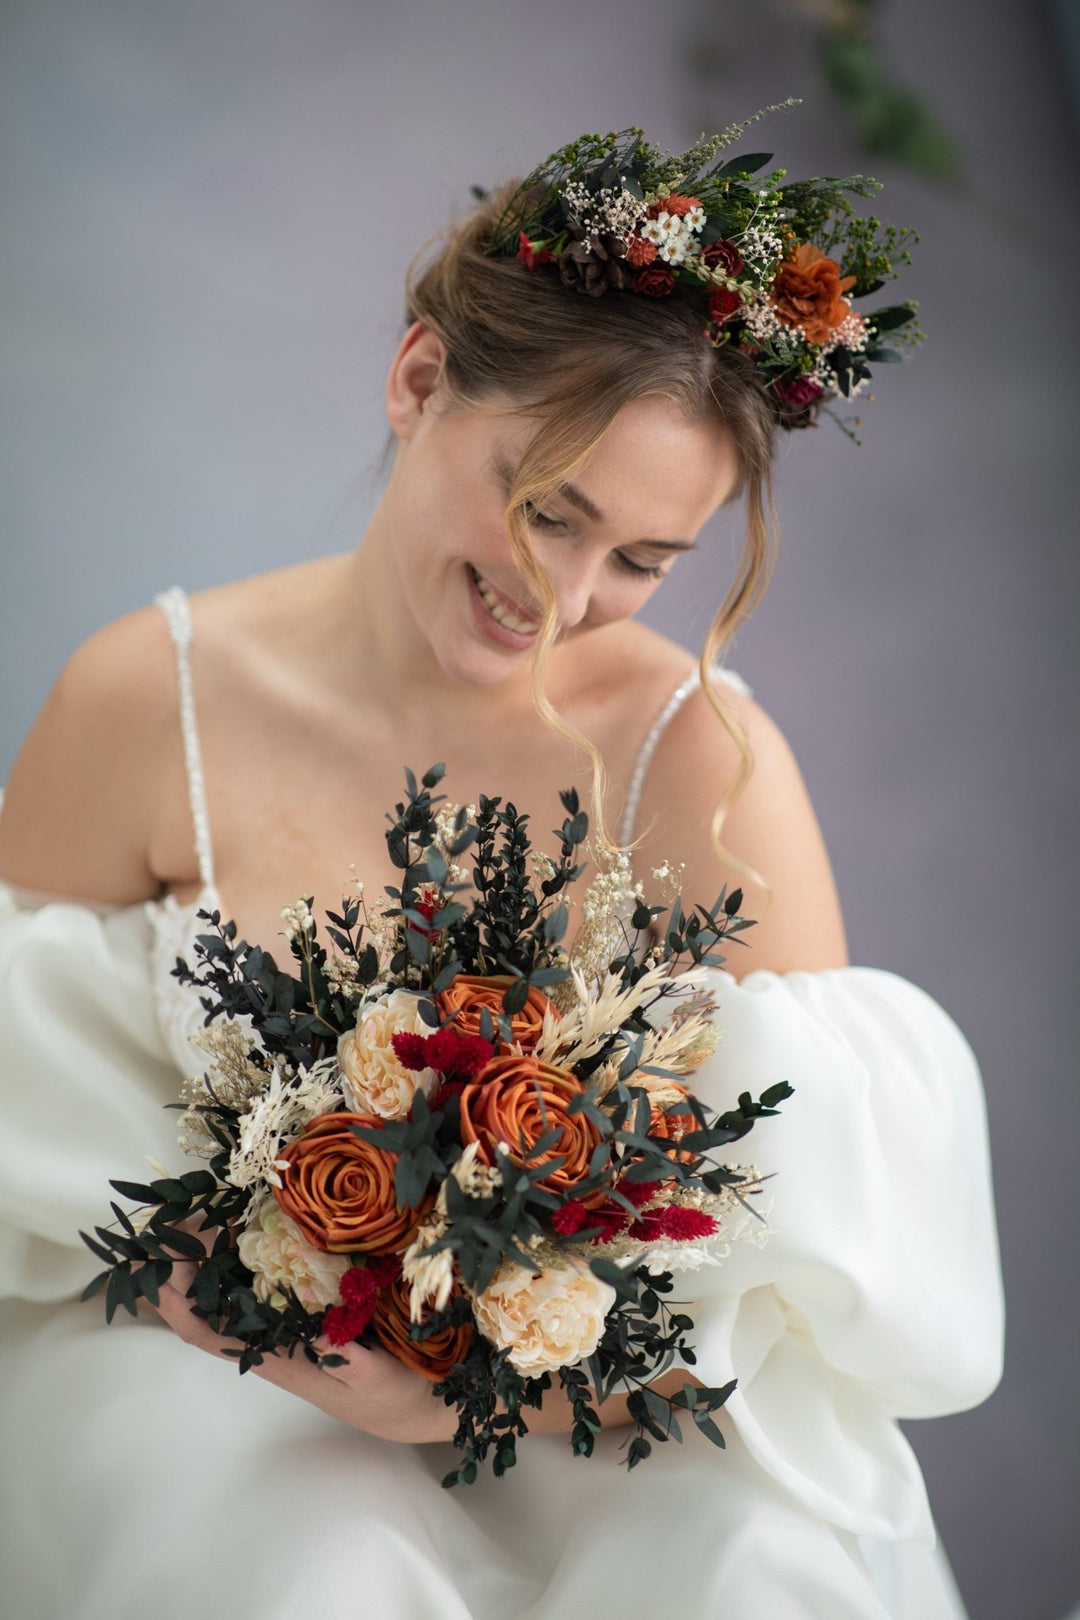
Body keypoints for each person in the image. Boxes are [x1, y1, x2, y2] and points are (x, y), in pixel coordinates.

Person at [0, 124, 1004, 1619]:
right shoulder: (150, 700)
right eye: (548, 510)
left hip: (588, 1414)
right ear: (417, 385)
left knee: (747, 1574)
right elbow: (27, 1129)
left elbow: (794, 1245)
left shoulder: (703, 759)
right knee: (292, 1575)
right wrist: (264, 1327)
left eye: (647, 559)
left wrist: (476, 1392)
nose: (570, 598)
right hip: (216, 1371)